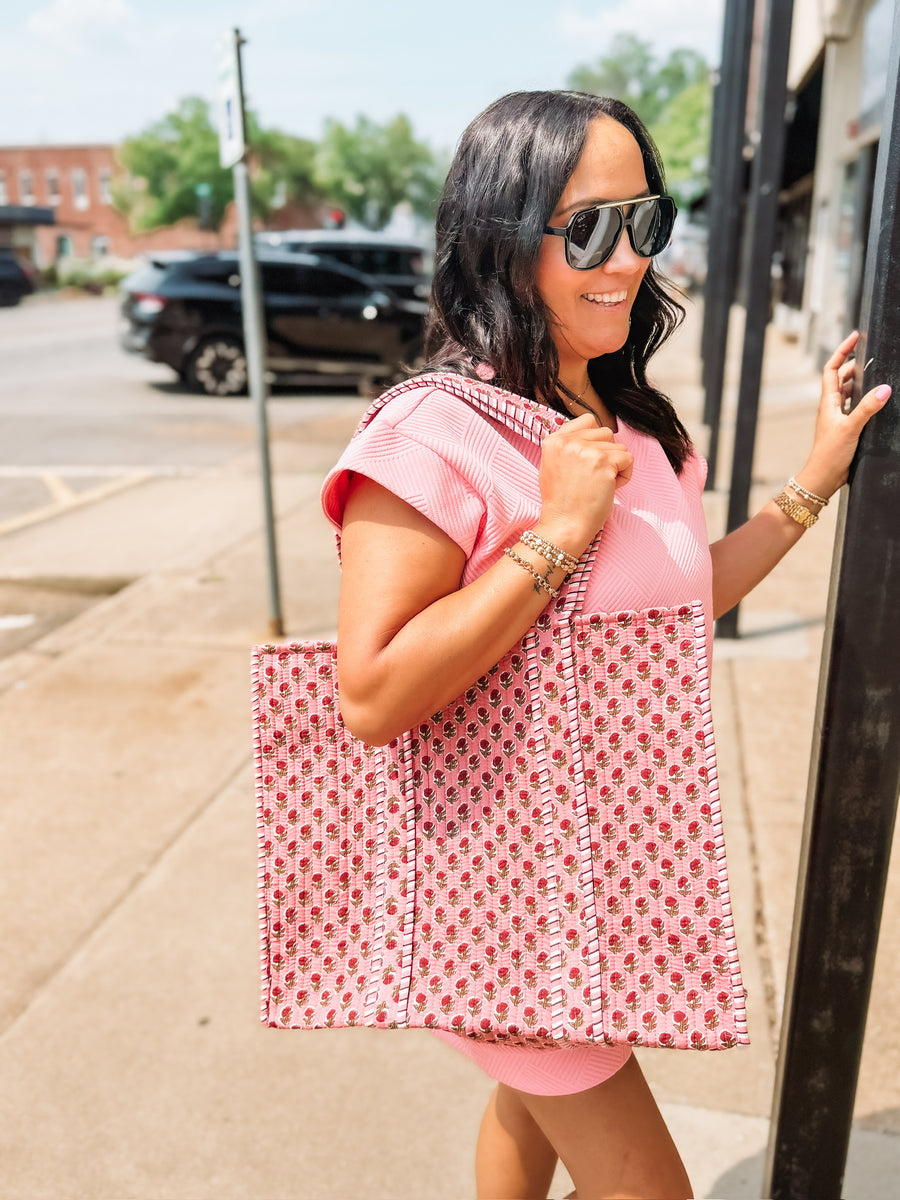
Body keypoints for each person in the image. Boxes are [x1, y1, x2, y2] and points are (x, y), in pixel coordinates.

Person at [320, 91, 890, 1200]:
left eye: (646, 221)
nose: (625, 258)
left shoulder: (631, 420)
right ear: (501, 234)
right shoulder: (431, 432)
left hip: (604, 877)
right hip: (509, 889)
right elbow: (373, 694)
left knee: (528, 1116)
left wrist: (815, 481)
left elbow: (681, 599)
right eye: (586, 228)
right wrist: (558, 533)